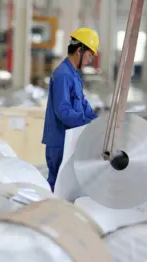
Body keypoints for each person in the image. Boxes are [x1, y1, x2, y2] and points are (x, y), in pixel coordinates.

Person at [42, 27, 99, 191]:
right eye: (89, 55)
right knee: (58, 187)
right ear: (80, 51)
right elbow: (63, 111)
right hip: (60, 142)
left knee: (68, 188)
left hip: (69, 139)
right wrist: (87, 123)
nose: (90, 60)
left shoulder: (73, 75)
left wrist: (98, 122)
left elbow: (83, 105)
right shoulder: (63, 75)